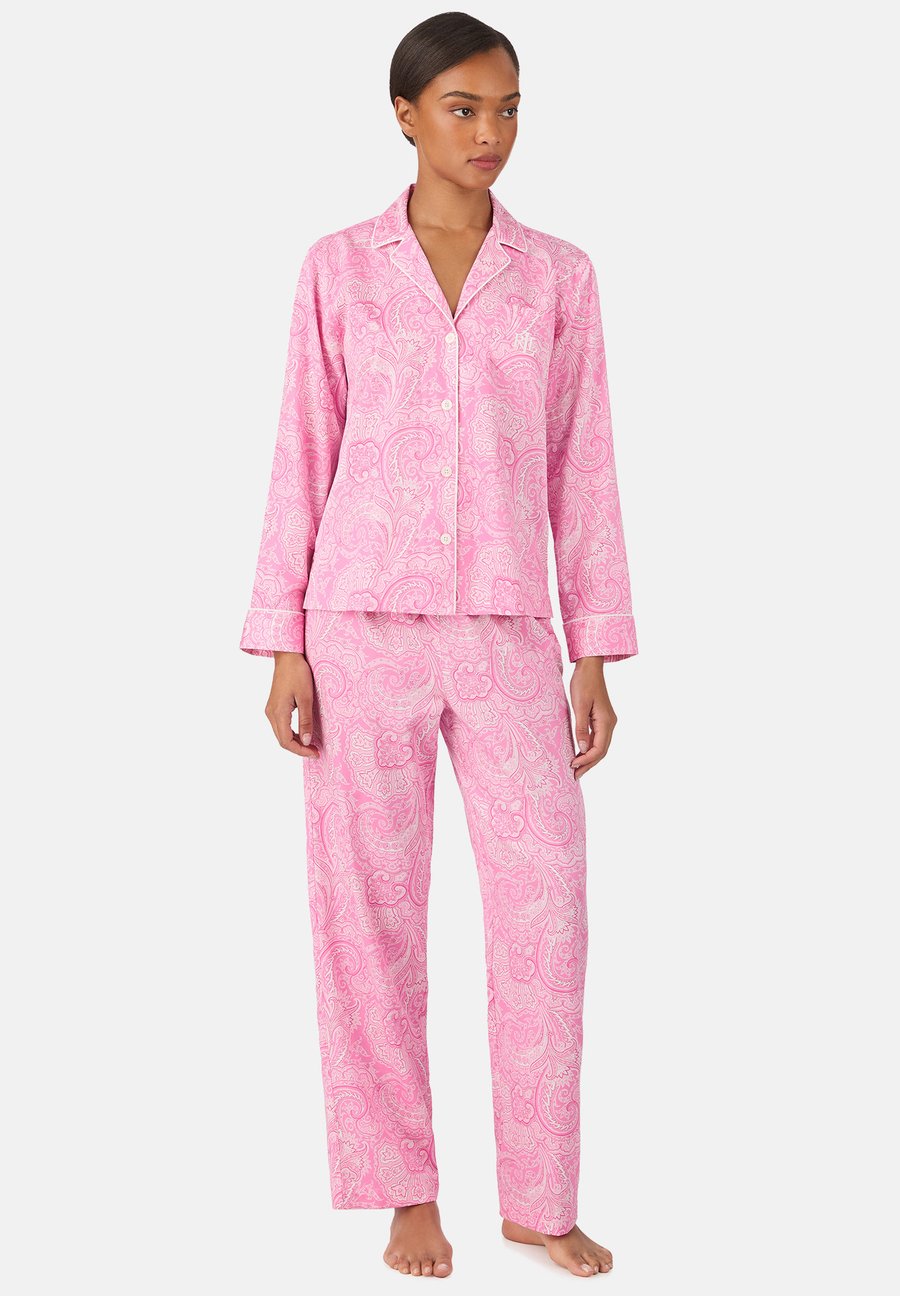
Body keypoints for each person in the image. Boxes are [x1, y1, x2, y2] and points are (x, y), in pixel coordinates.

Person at [239, 11, 638, 1280]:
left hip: (512, 628)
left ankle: (539, 1197)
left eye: (508, 108)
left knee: (546, 908)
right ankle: (404, 1190)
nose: (490, 133)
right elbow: (303, 447)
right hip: (357, 624)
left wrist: (595, 647)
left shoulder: (560, 276)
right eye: (463, 108)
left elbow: (583, 464)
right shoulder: (338, 268)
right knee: (367, 918)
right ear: (405, 115)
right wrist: (283, 638)